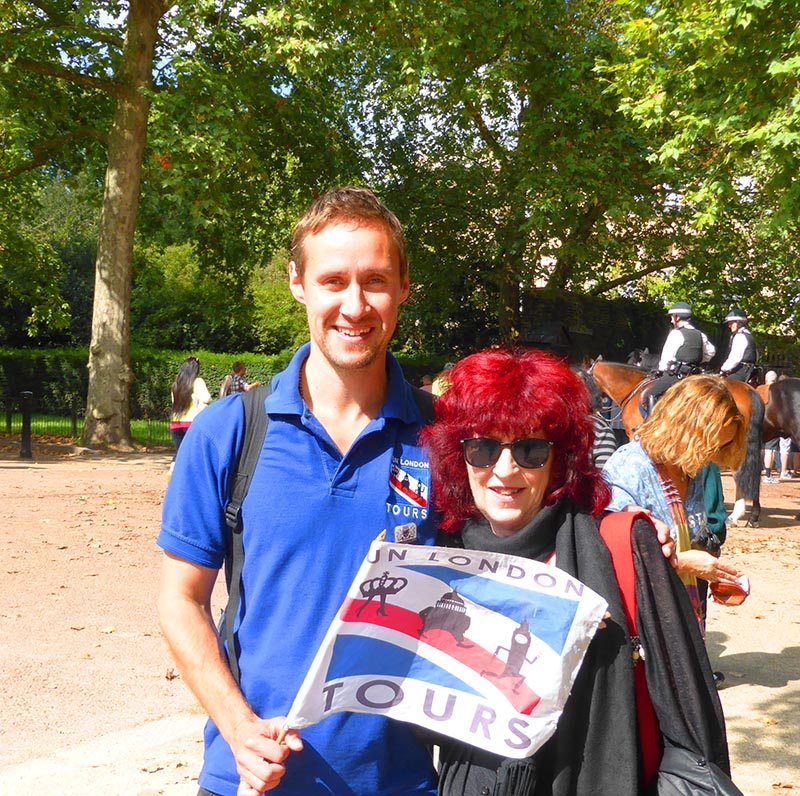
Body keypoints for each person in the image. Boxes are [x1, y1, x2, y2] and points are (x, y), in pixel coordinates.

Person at [157, 187, 439, 796]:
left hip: (403, 783)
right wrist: (238, 730)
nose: (355, 305)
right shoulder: (229, 433)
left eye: (376, 280)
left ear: (404, 287)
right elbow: (180, 600)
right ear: (298, 284)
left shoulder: (445, 436)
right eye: (333, 280)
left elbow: (526, 544)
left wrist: (628, 532)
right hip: (255, 780)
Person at [419, 348, 732, 795]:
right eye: (483, 447)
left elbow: (693, 719)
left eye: (530, 449)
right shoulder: (442, 558)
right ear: (460, 454)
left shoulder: (627, 546)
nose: (504, 470)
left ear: (559, 458)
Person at [603, 375, 746, 628]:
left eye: (721, 447)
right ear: (681, 428)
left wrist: (712, 572)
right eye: (710, 444)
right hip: (643, 622)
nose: (713, 455)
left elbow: (687, 538)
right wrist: (683, 563)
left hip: (681, 609)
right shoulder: (630, 467)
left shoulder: (692, 468)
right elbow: (612, 556)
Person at [641, 302, 715, 417]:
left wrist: (661, 370)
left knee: (650, 394)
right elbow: (710, 351)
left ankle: (650, 426)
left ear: (677, 317)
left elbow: (667, 356)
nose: (671, 320)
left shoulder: (676, 334)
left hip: (678, 374)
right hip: (696, 374)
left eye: (672, 317)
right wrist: (700, 361)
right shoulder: (700, 334)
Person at [169, 356, 211, 457]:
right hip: (192, 422)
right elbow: (207, 398)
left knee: (180, 452)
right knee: (194, 453)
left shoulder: (176, 384)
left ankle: (174, 468)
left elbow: (173, 401)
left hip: (175, 422)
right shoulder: (198, 382)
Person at [720, 307, 757, 382]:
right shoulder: (748, 335)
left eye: (731, 323)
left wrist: (723, 369)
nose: (729, 326)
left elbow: (735, 358)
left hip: (742, 371)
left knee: (721, 386)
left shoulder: (740, 336)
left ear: (739, 323)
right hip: (750, 370)